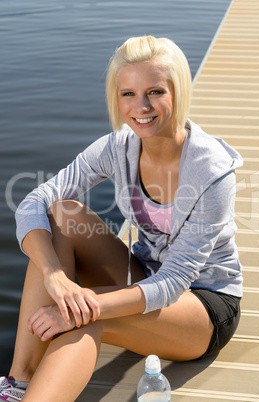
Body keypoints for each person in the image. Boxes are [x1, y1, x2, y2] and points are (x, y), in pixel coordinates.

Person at [0, 35, 243, 402]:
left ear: (178, 91)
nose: (141, 107)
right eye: (128, 93)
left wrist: (84, 304)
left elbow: (175, 281)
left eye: (155, 91)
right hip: (143, 274)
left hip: (202, 305)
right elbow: (33, 201)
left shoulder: (212, 171)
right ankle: (18, 383)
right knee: (62, 214)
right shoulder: (119, 147)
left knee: (82, 315)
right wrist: (54, 276)